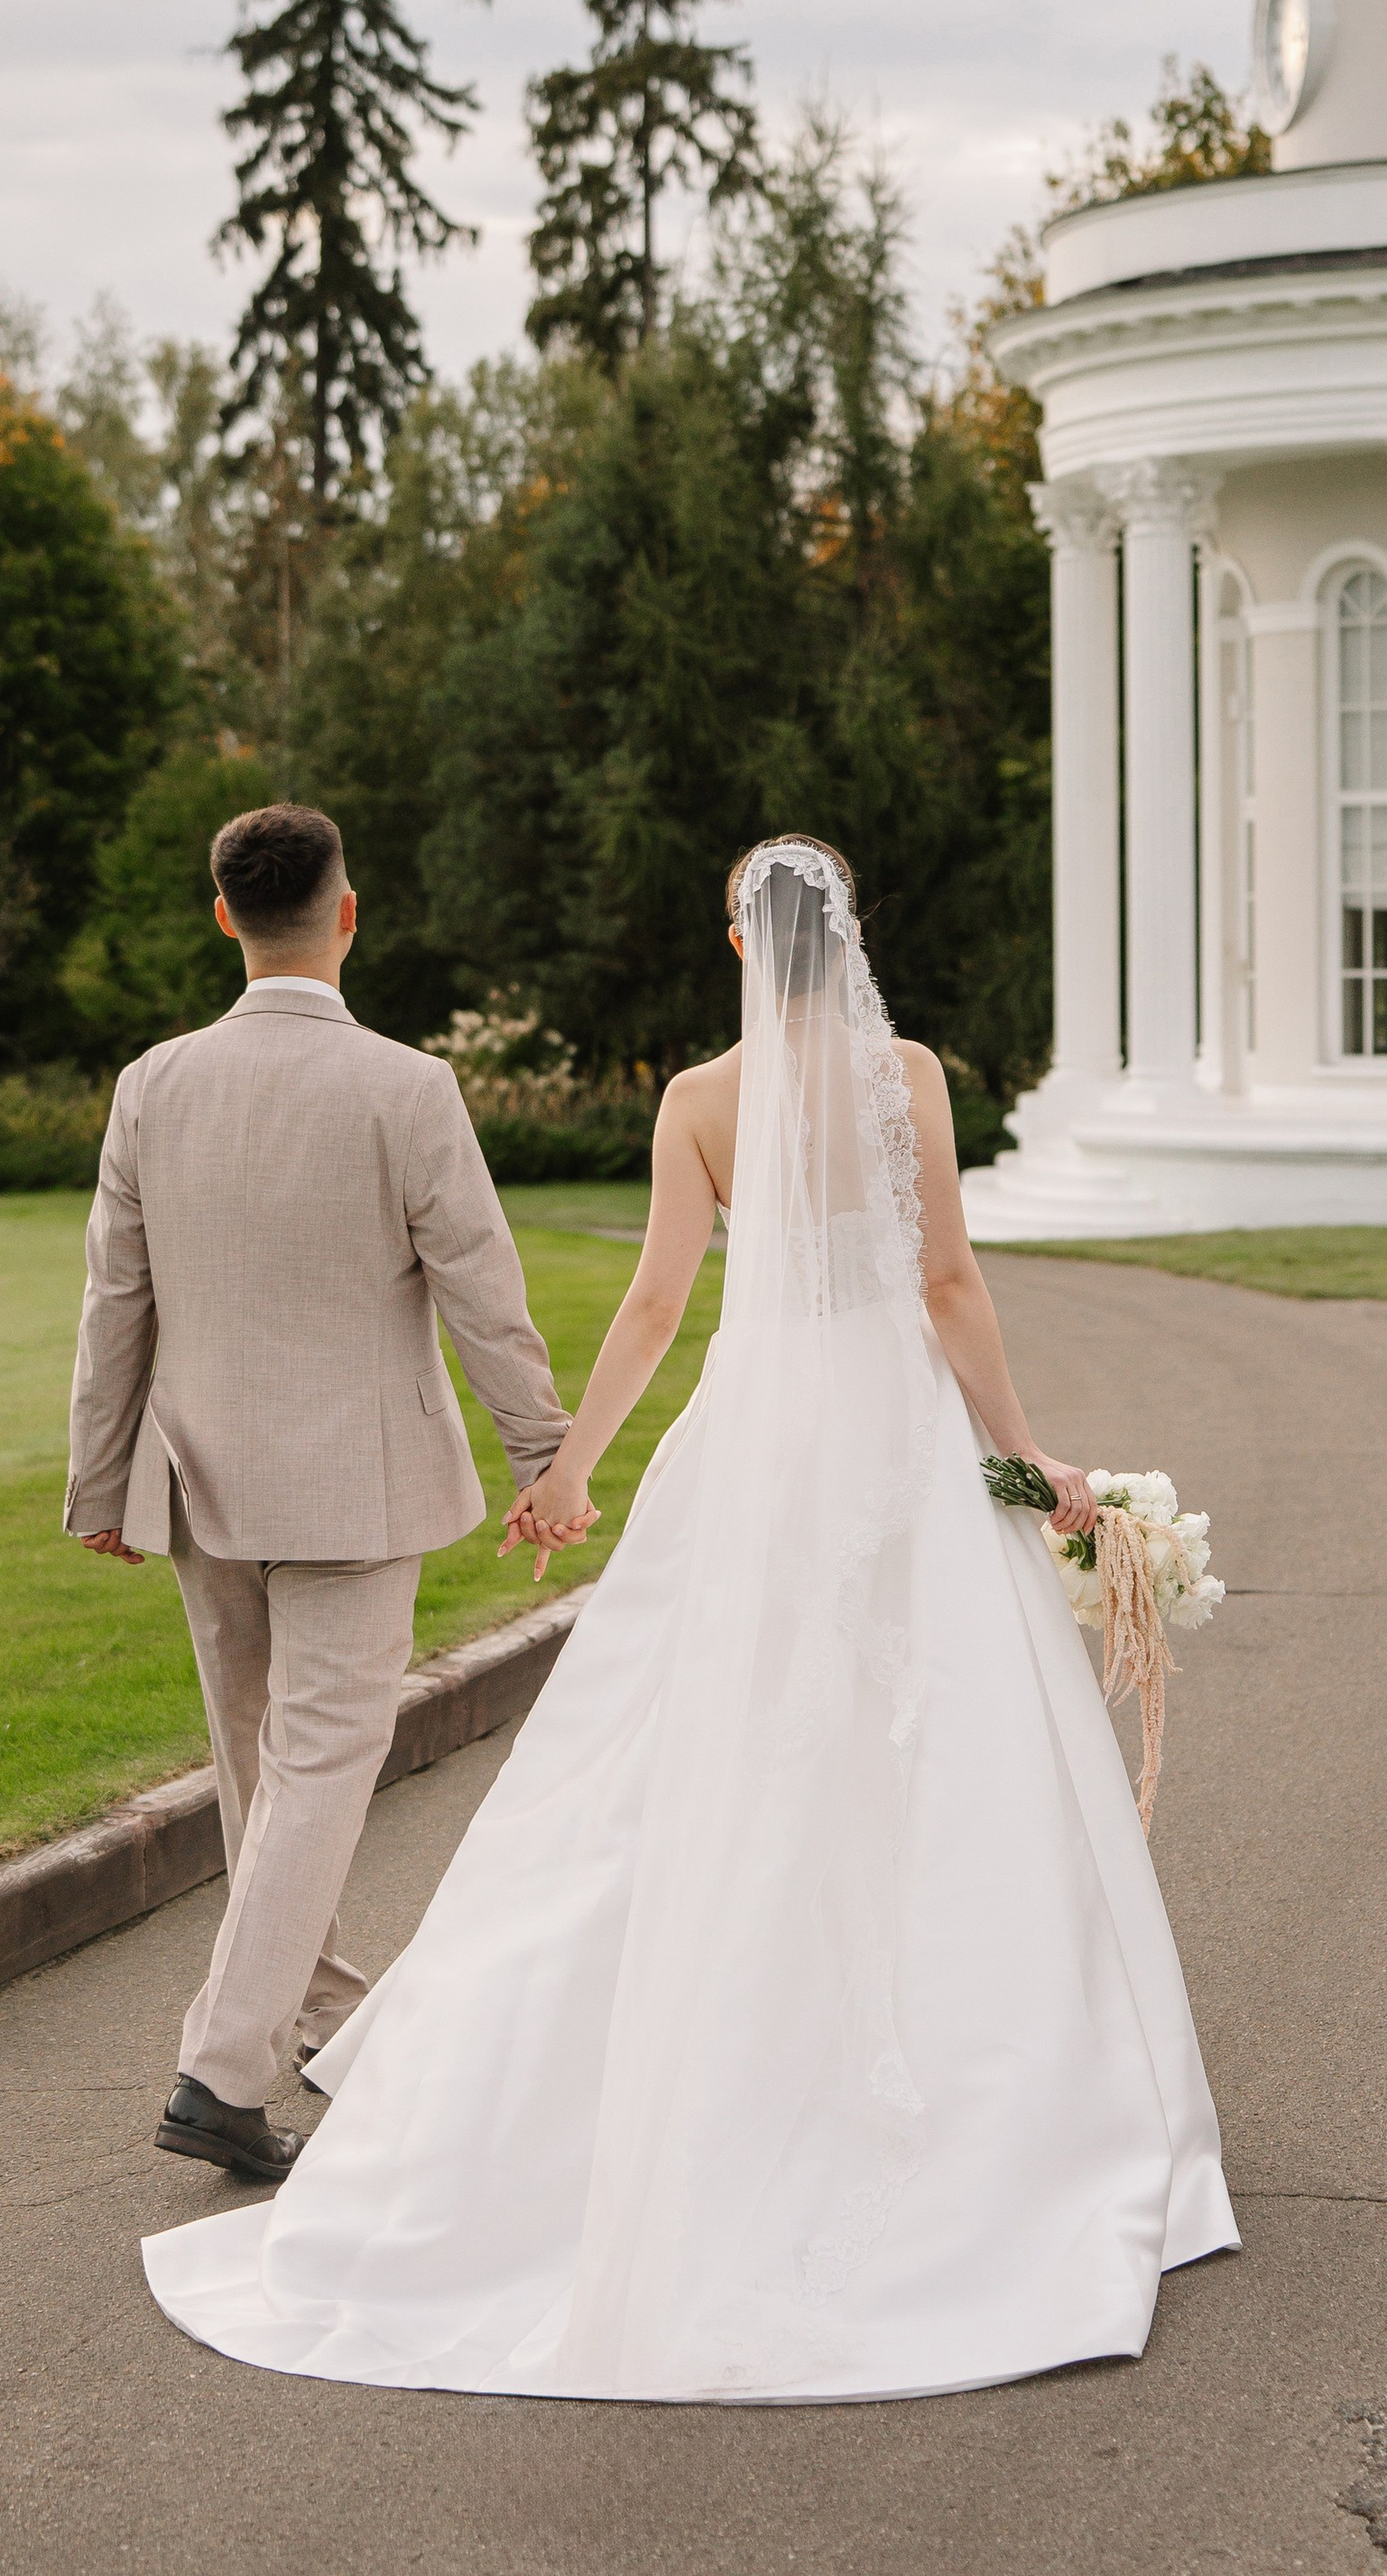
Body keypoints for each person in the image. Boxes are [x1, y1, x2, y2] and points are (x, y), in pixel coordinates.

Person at [141, 833, 1237, 2401]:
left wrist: (570, 1469)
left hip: (758, 1438)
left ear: (738, 938)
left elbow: (658, 1302)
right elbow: (946, 1284)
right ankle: (982, 2099)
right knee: (935, 1749)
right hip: (900, 1437)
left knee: (691, 1746)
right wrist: (1021, 1451)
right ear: (845, 935)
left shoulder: (698, 1103)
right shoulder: (909, 1071)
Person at [64, 800, 569, 2186]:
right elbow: (483, 1289)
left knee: (264, 1782)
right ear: (346, 912)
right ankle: (224, 2071)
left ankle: (330, 2016)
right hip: (353, 1489)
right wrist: (544, 1455)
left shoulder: (150, 1083)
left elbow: (115, 1302)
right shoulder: (409, 1088)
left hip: (199, 1483)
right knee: (311, 1777)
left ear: (225, 913)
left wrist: (98, 1479)